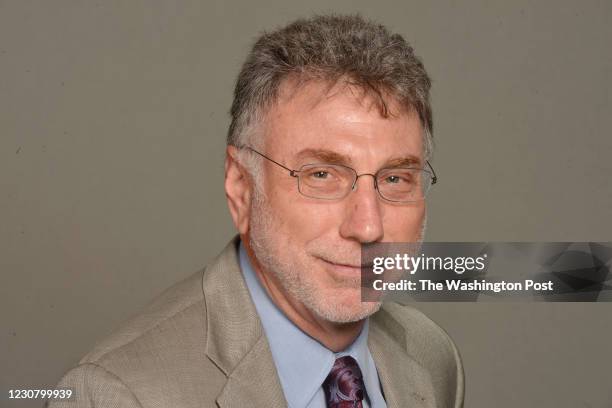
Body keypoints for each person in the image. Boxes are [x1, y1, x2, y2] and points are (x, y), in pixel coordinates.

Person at [50, 14, 463, 408]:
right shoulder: (118, 394)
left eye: (395, 179)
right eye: (321, 175)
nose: (369, 226)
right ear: (241, 188)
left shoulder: (432, 357)